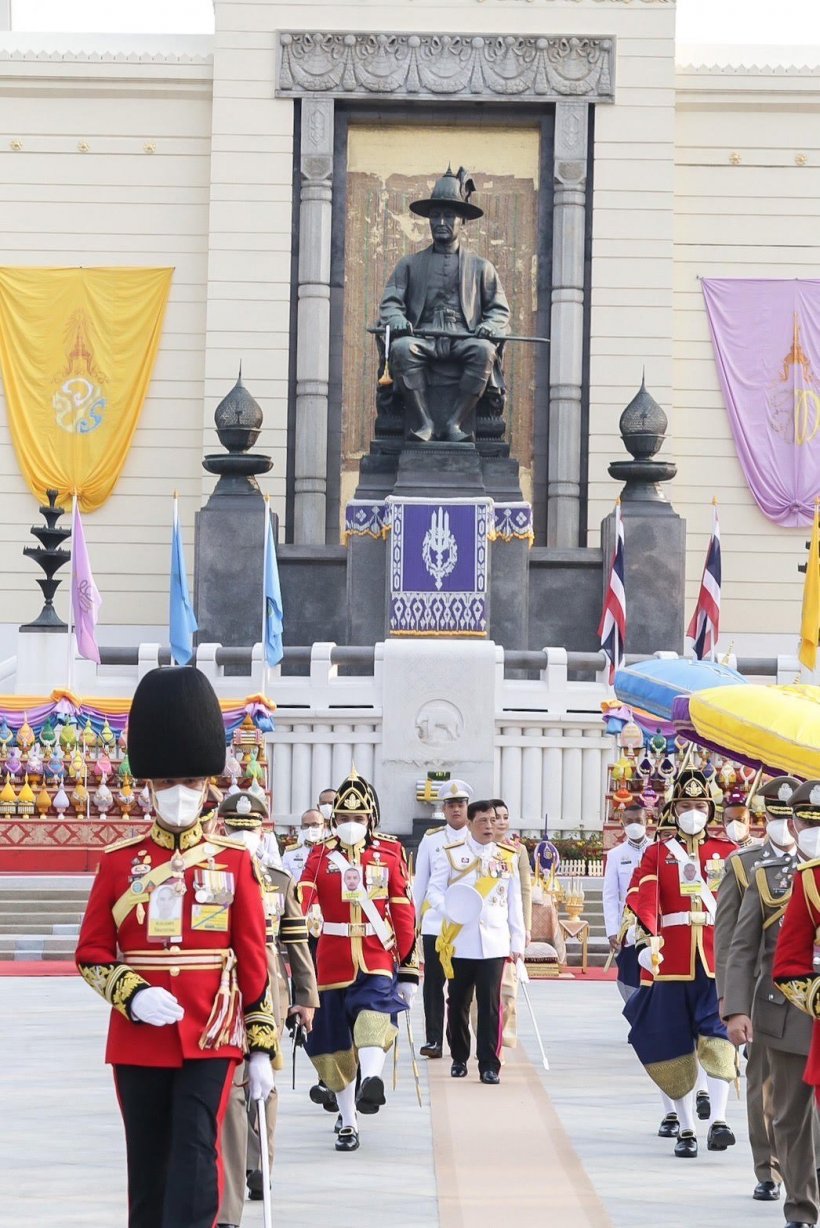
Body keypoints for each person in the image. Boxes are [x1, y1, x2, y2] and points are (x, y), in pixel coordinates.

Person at [75, 666, 279, 1228]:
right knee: (147, 1162)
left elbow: (254, 960)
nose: (179, 793)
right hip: (139, 1033)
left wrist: (261, 1045)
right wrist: (132, 995)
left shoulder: (234, 862)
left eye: (190, 781)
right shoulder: (120, 865)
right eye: (166, 782)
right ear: (148, 786)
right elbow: (91, 953)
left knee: (196, 1149)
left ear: (209, 785)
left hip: (211, 1030)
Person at [299, 768, 418, 1152]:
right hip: (330, 960)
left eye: (360, 818)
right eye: (346, 818)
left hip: (376, 955)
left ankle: (371, 1081)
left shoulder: (390, 851)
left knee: (373, 1015)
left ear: (372, 819)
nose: (352, 824)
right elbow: (301, 898)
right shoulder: (319, 855)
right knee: (334, 1045)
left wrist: (410, 970)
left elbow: (402, 909)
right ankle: (349, 1121)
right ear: (335, 819)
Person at [216, 790, 319, 1228]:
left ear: (263, 831)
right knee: (234, 1084)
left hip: (269, 988)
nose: (243, 836)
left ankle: (262, 1163)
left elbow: (295, 940)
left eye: (250, 829)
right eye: (235, 829)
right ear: (222, 828)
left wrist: (306, 997)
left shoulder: (277, 879)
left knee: (263, 1079)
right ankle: (236, 1177)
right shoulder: (211, 872)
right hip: (221, 987)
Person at [623, 768, 738, 1158]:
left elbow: (742, 908)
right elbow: (642, 898)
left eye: (700, 806)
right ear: (674, 809)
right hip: (669, 961)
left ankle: (720, 1120)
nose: (693, 812)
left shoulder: (727, 854)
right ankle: (687, 1127)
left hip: (715, 961)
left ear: (710, 809)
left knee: (718, 1036)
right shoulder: (658, 853)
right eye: (686, 806)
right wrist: (643, 941)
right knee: (674, 1044)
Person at [724, 777, 818, 1226]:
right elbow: (740, 947)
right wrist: (735, 1008)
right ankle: (799, 1206)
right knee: (789, 1116)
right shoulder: (763, 875)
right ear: (795, 827)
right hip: (784, 1008)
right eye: (802, 821)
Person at [379, 165, 510, 443]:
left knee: (484, 351)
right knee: (402, 349)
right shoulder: (410, 265)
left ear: (462, 221)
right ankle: (424, 423)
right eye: (435, 216)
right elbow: (390, 304)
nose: (441, 222)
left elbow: (499, 310)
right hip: (423, 336)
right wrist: (398, 320)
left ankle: (454, 423)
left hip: (463, 336)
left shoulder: (481, 267)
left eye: (449, 215)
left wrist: (488, 326)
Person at [715, 780, 796, 1202]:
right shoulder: (744, 864)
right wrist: (731, 1002)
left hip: (807, 994)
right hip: (765, 994)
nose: (786, 825)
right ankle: (768, 1169)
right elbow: (731, 940)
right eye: (778, 816)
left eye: (792, 817)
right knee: (763, 1086)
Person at [427, 800, 526, 1084]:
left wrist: (517, 941)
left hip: (494, 942)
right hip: (460, 940)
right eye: (482, 821)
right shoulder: (451, 855)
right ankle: (459, 1056)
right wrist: (451, 910)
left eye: (493, 821)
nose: (489, 826)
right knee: (457, 1001)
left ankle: (489, 1064)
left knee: (491, 1005)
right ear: (469, 824)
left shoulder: (507, 856)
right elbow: (433, 893)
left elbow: (514, 901)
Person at [413, 778, 472, 1058]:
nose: (456, 810)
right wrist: (412, 921)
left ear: (467, 806)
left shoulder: (477, 838)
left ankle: (456, 1038)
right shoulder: (432, 839)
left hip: (466, 927)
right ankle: (434, 1038)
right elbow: (420, 883)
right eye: (450, 805)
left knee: (461, 986)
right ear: (444, 809)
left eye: (460, 804)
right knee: (434, 984)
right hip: (437, 923)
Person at [490, 797, 532, 1047]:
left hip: (509, 927)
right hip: (485, 929)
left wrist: (526, 927)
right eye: (496, 818)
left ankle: (502, 1041)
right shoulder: (471, 849)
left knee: (508, 990)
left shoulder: (517, 850)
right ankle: (487, 1040)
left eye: (506, 817)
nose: (502, 823)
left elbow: (524, 890)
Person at [603, 798, 651, 1004]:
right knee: (630, 976)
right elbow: (611, 895)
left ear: (647, 821)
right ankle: (636, 1019)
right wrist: (612, 931)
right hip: (628, 927)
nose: (634, 826)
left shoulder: (658, 849)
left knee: (653, 973)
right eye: (629, 821)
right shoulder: (615, 855)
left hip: (653, 926)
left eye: (638, 821)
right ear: (622, 824)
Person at [282, 807, 326, 881]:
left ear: (324, 826)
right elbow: (286, 881)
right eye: (306, 825)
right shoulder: (290, 853)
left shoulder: (331, 851)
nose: (310, 828)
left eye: (314, 824)